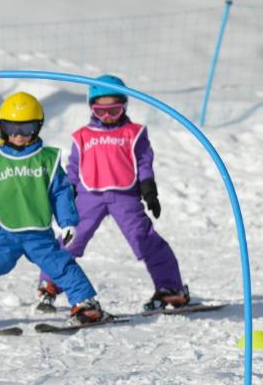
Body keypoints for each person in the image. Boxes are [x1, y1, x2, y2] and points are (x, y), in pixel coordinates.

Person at [0, 91, 108, 326]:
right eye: (12, 128)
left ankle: (85, 303)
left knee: (61, 265)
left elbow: (61, 192)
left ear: (38, 126)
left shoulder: (46, 159)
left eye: (27, 128)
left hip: (38, 233)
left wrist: (67, 221)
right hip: (4, 234)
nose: (19, 135)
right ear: (2, 127)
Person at [36, 74, 189, 314]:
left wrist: (148, 189)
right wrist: (66, 195)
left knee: (144, 238)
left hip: (125, 196)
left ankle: (170, 288)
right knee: (71, 237)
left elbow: (144, 161)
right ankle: (51, 283)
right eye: (100, 111)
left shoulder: (133, 133)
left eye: (114, 111)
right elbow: (74, 167)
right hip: (88, 196)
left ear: (125, 106)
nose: (107, 116)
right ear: (91, 108)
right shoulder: (82, 136)